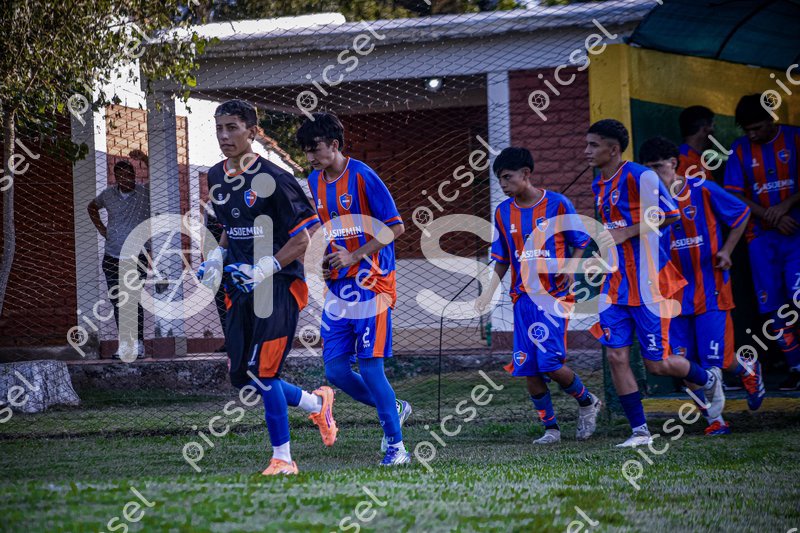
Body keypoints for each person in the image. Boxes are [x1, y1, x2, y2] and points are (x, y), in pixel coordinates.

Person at [197, 99, 336, 476]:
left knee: (265, 373)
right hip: (239, 288)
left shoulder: (276, 177)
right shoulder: (216, 176)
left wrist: (268, 266)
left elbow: (304, 238)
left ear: (253, 132)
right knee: (244, 376)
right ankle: (316, 404)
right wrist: (217, 257)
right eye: (219, 128)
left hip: (279, 287)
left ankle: (283, 460)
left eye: (232, 127)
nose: (224, 135)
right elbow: (231, 226)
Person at [586, 119, 722, 448]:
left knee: (657, 364)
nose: (586, 151)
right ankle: (640, 432)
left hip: (649, 282)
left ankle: (708, 379)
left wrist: (627, 232)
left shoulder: (639, 175)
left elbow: (671, 213)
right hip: (614, 284)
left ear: (613, 149)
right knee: (616, 356)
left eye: (593, 145)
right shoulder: (599, 184)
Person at [296, 112, 412, 466]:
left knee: (371, 367)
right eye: (306, 151)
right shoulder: (314, 181)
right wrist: (324, 259)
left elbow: (396, 227)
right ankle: (394, 408)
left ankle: (397, 447)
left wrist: (355, 255)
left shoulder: (363, 176)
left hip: (372, 284)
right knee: (336, 371)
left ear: (334, 145)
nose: (310, 157)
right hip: (339, 286)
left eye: (315, 149)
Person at [475, 147, 602, 445]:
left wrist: (570, 266)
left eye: (507, 177)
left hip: (554, 296)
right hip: (523, 299)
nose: (503, 184)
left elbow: (579, 241)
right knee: (528, 367)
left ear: (526, 173)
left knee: (550, 363)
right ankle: (551, 429)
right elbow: (502, 258)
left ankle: (587, 401)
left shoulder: (557, 204)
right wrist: (489, 292)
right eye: (499, 179)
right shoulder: (503, 212)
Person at [640, 136, 765, 432]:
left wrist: (726, 251)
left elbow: (741, 214)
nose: (654, 175)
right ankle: (715, 420)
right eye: (648, 170)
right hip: (671, 295)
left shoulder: (702, 189)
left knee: (715, 360)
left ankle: (746, 371)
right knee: (686, 364)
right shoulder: (646, 204)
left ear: (674, 163)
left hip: (710, 289)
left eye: (658, 167)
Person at [723, 94, 800, 391]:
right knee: (773, 307)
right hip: (760, 239)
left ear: (772, 119)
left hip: (795, 235)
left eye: (757, 128)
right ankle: (795, 366)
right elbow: (734, 194)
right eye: (748, 130)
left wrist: (785, 206)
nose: (752, 135)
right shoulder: (740, 149)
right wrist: (770, 215)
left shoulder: (794, 138)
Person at [87, 160, 149, 359]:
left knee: (133, 299)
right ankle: (125, 344)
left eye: (128, 174)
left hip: (137, 256)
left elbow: (158, 177)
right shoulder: (108, 194)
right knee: (118, 301)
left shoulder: (144, 192)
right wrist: (102, 230)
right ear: (115, 177)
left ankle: (138, 344)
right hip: (112, 255)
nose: (125, 179)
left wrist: (144, 158)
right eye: (120, 175)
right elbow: (91, 207)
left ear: (134, 175)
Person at [677, 105, 716, 180]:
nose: (714, 133)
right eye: (713, 126)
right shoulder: (682, 159)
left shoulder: (699, 159)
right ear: (705, 129)